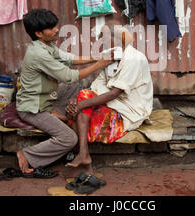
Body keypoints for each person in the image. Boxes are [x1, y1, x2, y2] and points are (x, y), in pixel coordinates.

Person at [15, 9, 114, 175]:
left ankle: (56, 112)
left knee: (78, 89)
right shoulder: (38, 54)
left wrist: (95, 58)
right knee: (69, 138)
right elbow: (69, 76)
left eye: (55, 25)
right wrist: (100, 65)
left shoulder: (46, 45)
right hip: (33, 108)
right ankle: (26, 154)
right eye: (51, 28)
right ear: (38, 33)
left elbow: (68, 58)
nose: (56, 30)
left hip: (47, 96)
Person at [65, 20, 153, 170]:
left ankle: (82, 153)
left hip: (128, 110)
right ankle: (84, 154)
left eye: (104, 37)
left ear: (117, 38)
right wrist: (78, 101)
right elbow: (97, 85)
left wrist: (79, 105)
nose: (101, 41)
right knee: (83, 96)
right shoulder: (111, 57)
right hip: (113, 103)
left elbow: (115, 93)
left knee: (80, 116)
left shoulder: (134, 58)